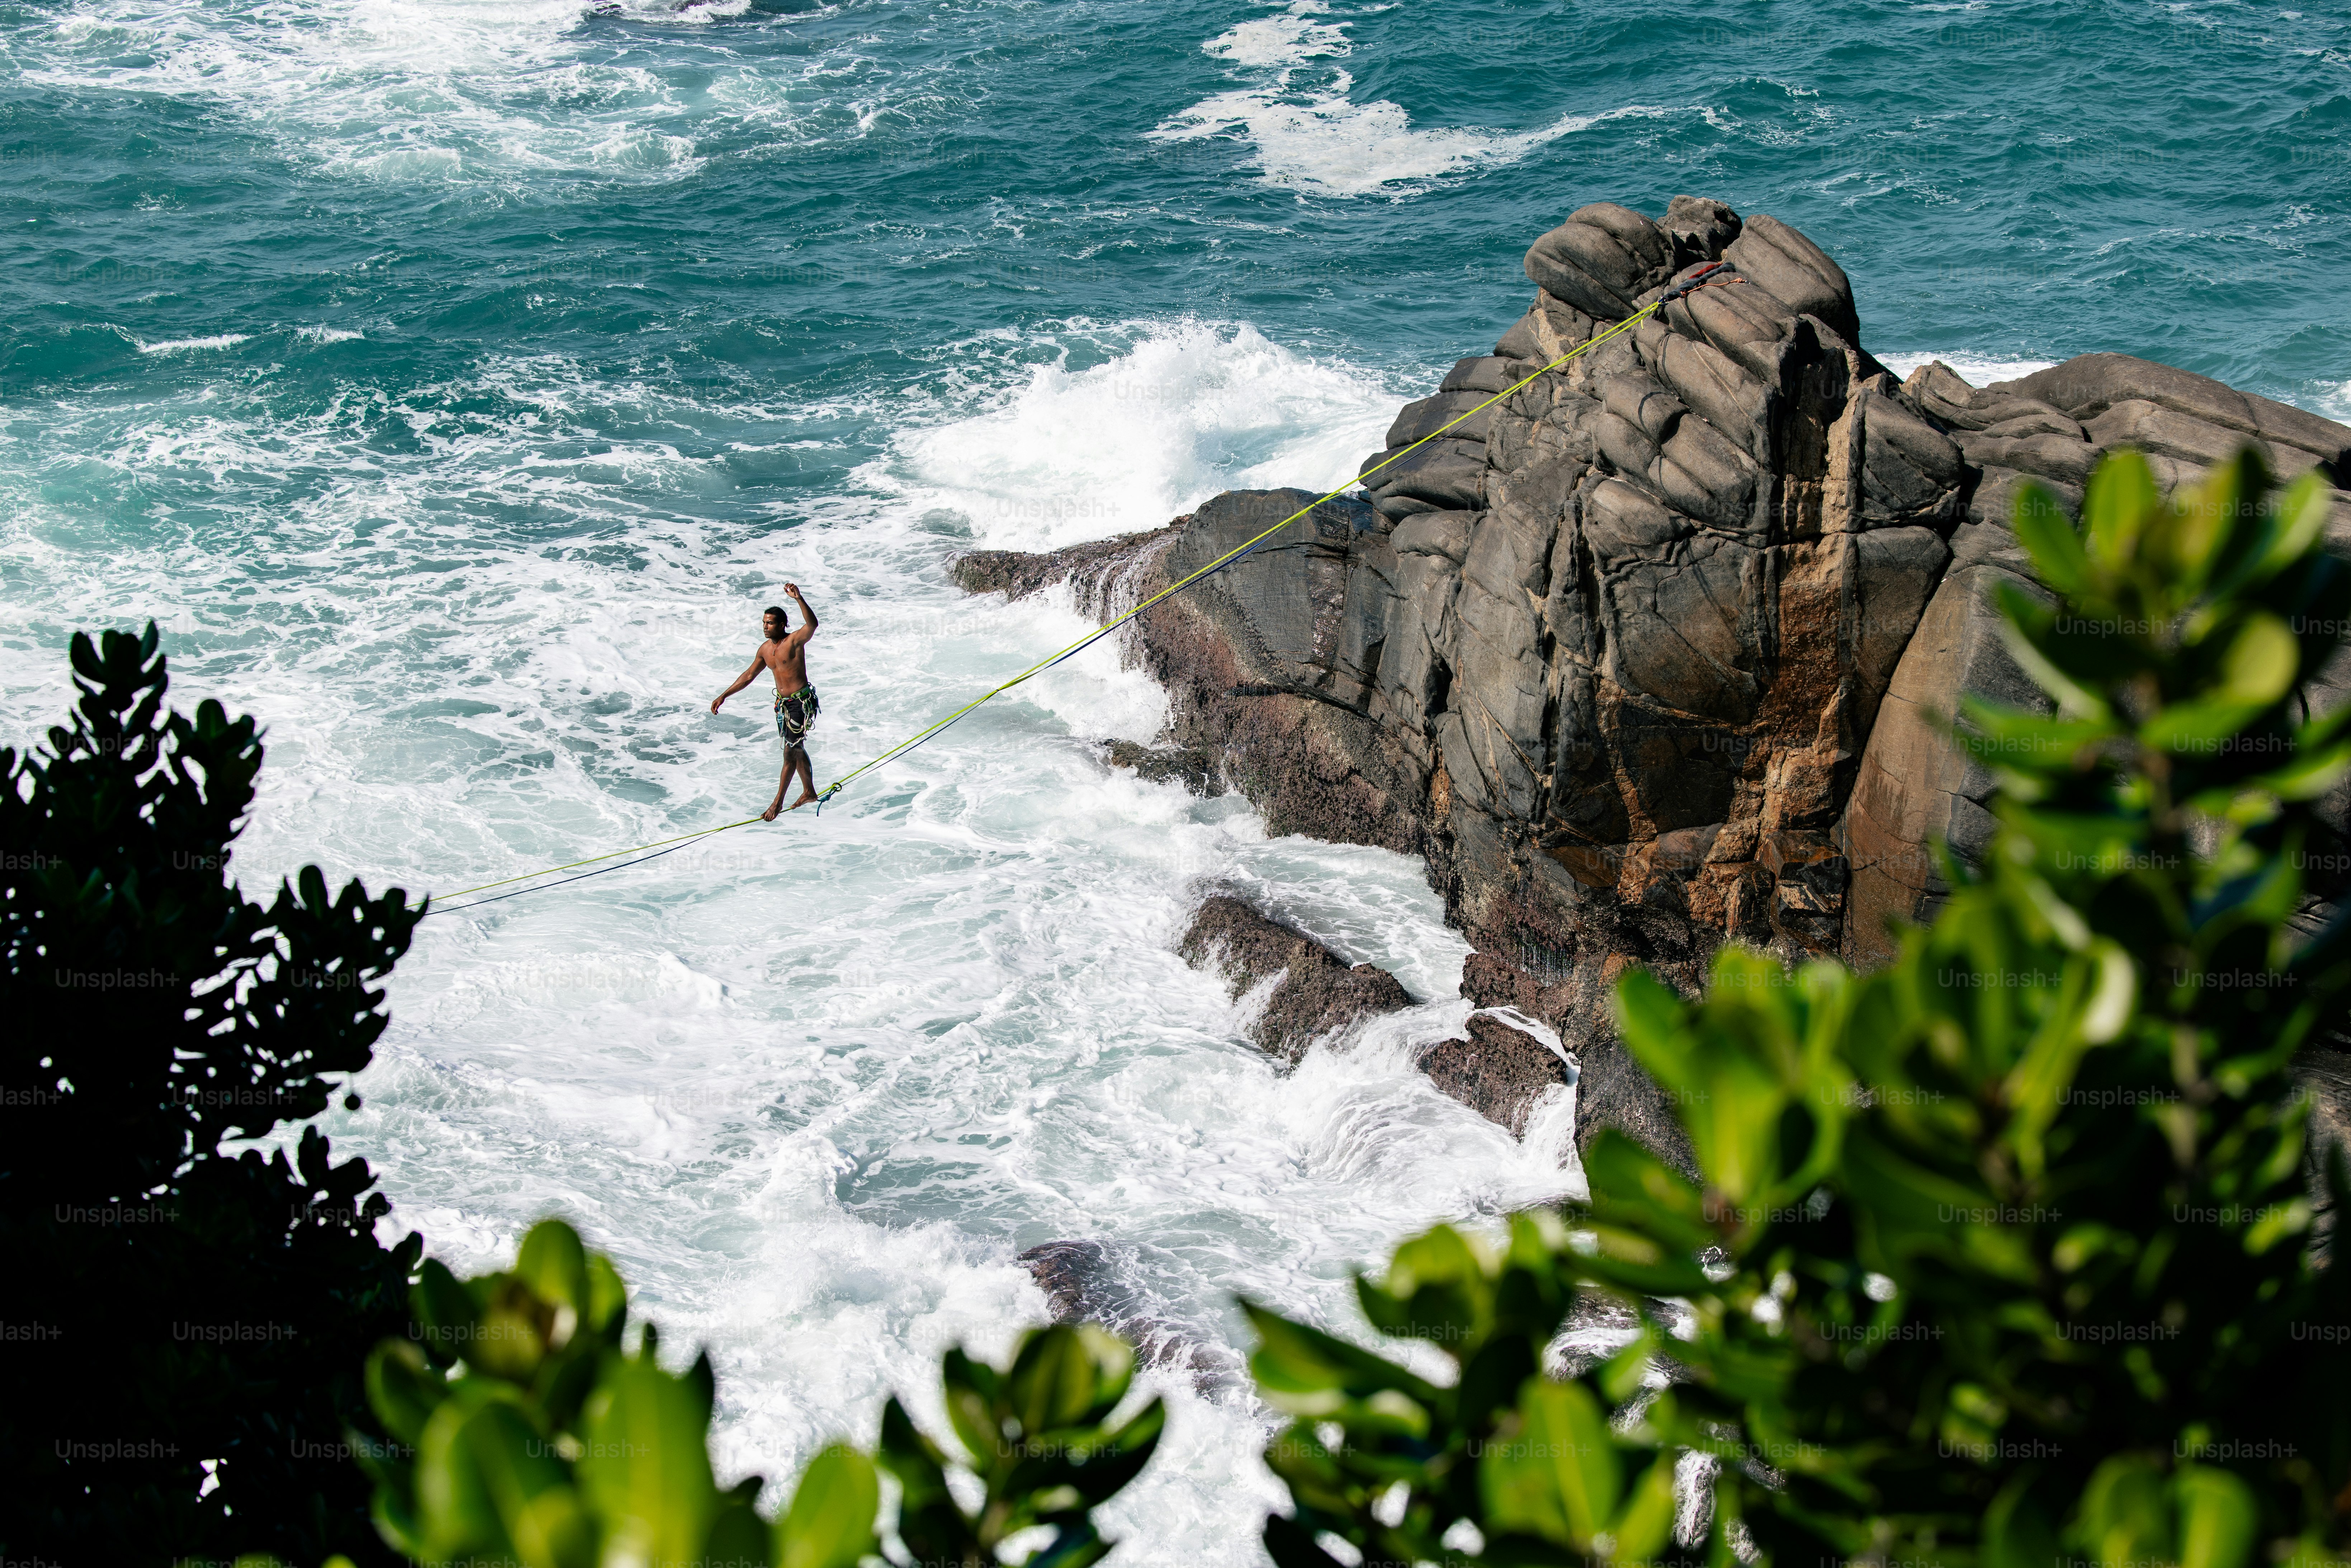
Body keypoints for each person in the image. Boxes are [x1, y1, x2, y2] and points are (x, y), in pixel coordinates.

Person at [710, 585, 821, 818]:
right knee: (796, 747)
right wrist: (724, 695)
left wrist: (799, 598)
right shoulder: (765, 650)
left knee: (792, 751)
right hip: (784, 707)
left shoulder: (794, 642)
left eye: (770, 623)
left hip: (800, 703)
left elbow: (812, 625)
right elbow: (749, 675)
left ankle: (778, 802)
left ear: (782, 624)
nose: (765, 627)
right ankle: (809, 791)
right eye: (764, 623)